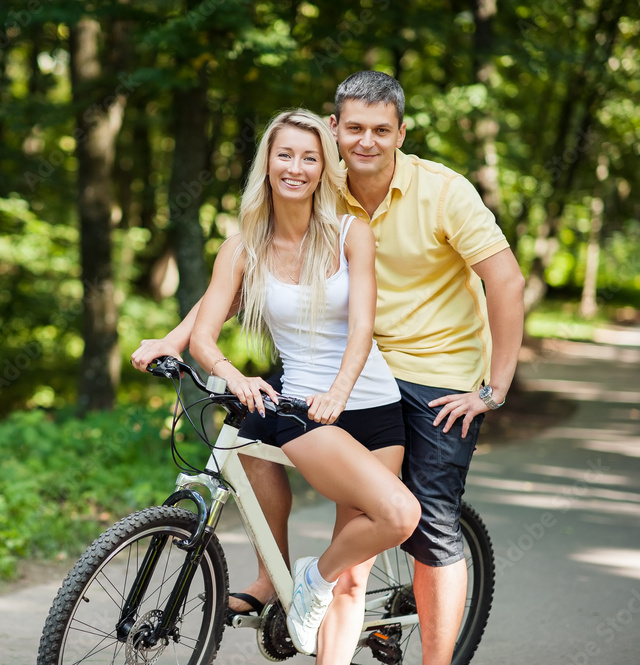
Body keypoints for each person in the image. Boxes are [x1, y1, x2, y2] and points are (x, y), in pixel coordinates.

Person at [132, 71, 525, 665]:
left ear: (400, 132)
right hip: (354, 366)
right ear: (335, 129)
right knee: (248, 434)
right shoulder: (320, 184)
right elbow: (241, 280)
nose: (367, 142)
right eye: (356, 129)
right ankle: (274, 577)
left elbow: (505, 280)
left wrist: (495, 388)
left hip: (435, 373)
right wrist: (176, 337)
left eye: (382, 130)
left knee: (431, 526)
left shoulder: (442, 192)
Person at [187, 107, 421, 658]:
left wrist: (341, 391)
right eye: (285, 154)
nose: (296, 167)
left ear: (324, 168)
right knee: (399, 513)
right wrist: (232, 374)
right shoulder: (242, 247)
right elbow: (202, 337)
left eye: (309, 157)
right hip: (305, 411)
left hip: (373, 407)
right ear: (267, 162)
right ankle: (302, 578)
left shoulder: (350, 233)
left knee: (354, 579)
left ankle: (316, 578)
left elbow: (363, 325)